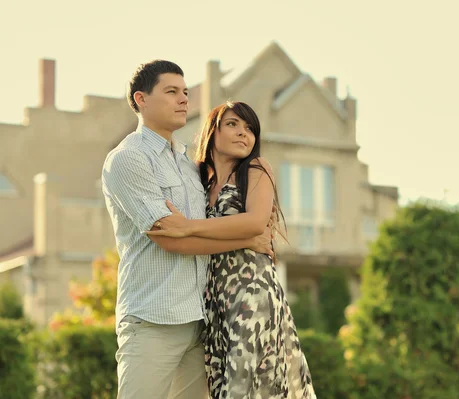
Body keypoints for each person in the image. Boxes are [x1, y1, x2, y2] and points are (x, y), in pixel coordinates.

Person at [101, 61, 274, 399]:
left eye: (184, 92)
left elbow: (198, 230)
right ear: (141, 99)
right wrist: (248, 239)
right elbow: (169, 237)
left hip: (200, 322)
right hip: (153, 320)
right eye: (171, 92)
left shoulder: (187, 163)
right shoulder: (129, 159)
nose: (183, 99)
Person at [146, 101, 316, 398]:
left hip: (253, 292)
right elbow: (237, 236)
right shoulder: (199, 180)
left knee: (241, 386)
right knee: (222, 385)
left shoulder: (256, 169)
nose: (243, 133)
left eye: (250, 128)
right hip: (215, 301)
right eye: (233, 124)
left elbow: (254, 223)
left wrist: (188, 226)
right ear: (213, 131)